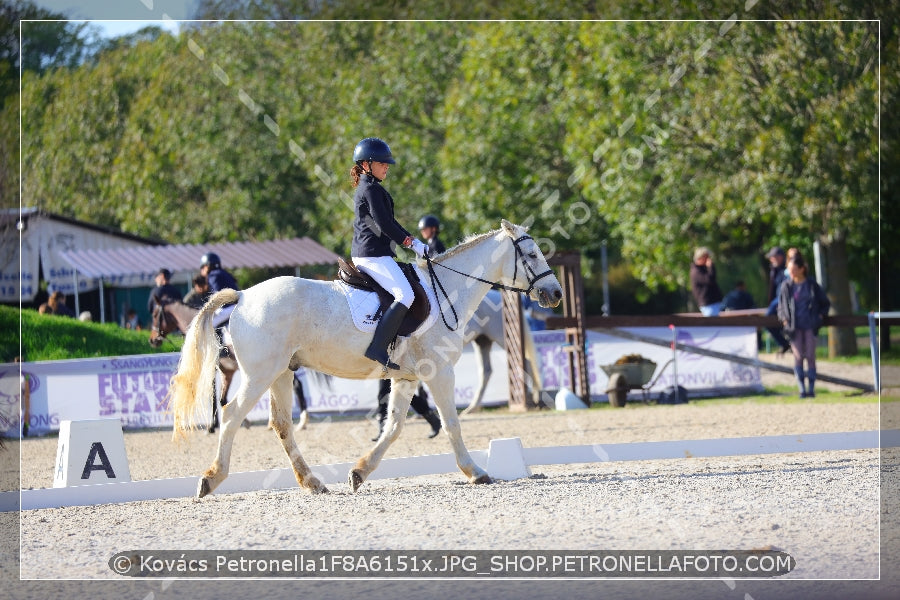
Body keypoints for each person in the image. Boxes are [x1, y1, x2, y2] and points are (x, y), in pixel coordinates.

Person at [349, 137, 426, 370]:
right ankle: (378, 347)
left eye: (387, 163)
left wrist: (413, 241)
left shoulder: (372, 188)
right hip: (372, 255)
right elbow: (384, 225)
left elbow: (391, 222)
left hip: (375, 253)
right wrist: (411, 244)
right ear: (366, 165)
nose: (387, 167)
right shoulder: (370, 189)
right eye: (382, 163)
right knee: (405, 295)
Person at [777, 254, 830, 397]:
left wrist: (820, 316)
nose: (791, 273)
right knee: (798, 355)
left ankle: (811, 389)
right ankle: (801, 389)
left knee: (811, 356)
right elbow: (781, 306)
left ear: (801, 269)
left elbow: (825, 303)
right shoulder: (786, 286)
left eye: (793, 269)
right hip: (794, 327)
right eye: (789, 270)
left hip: (810, 325)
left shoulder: (812, 285)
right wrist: (785, 320)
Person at [372, 379, 441, 441]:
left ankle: (433, 419)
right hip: (385, 367)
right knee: (384, 393)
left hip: (398, 366)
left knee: (403, 391)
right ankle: (384, 430)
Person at [764, 246, 791, 356]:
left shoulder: (788, 269)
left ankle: (787, 343)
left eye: (773, 257)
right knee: (768, 322)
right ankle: (784, 343)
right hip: (777, 301)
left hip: (783, 300)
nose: (771, 259)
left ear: (780, 257)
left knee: (767, 319)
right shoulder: (774, 270)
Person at [689, 247, 723, 316]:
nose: (708, 259)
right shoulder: (695, 271)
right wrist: (711, 267)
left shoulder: (703, 269)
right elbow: (709, 280)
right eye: (706, 257)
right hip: (709, 306)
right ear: (700, 258)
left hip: (715, 304)